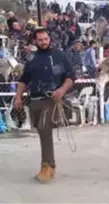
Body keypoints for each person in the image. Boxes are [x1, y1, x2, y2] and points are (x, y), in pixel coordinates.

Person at [14, 27, 75, 183]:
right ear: (35, 41)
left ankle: (47, 165)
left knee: (44, 127)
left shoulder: (60, 55)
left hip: (53, 99)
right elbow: (24, 80)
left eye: (46, 39)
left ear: (50, 39)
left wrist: (61, 90)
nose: (43, 42)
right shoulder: (31, 58)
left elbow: (71, 77)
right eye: (40, 40)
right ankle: (49, 165)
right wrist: (18, 97)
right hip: (34, 100)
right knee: (41, 130)